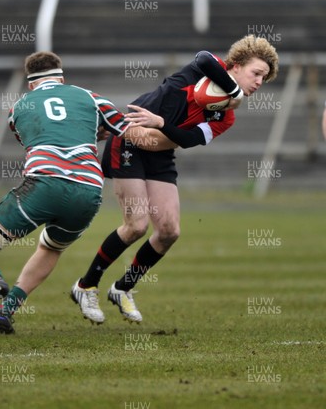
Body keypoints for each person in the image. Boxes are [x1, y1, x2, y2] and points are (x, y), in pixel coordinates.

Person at [70, 34, 279, 324]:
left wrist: (162, 124)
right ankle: (86, 285)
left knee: (169, 231)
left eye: (263, 79)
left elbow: (189, 139)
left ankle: (123, 288)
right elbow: (203, 55)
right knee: (137, 225)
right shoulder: (206, 69)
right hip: (130, 140)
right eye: (256, 74)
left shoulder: (226, 118)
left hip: (160, 149)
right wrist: (236, 93)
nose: (258, 83)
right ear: (237, 65)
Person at [0, 51, 136, 334]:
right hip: (88, 192)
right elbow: (124, 130)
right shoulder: (91, 97)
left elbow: (30, 136)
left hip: (44, 185)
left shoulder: (19, 107)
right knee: (51, 247)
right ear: (62, 78)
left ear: (30, 84)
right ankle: (5, 312)